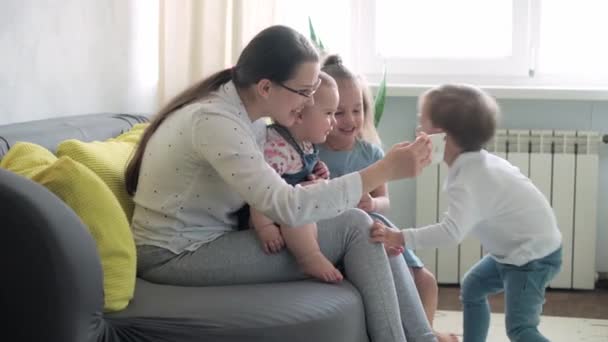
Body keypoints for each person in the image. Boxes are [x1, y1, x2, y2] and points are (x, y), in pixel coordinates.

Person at [125, 25, 436, 342]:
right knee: (357, 226)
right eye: (304, 91)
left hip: (204, 240)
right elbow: (288, 207)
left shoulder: (249, 116)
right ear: (264, 87)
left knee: (370, 225)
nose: (309, 101)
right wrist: (382, 171)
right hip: (173, 254)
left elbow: (278, 191)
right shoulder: (215, 121)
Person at [370, 84, 563, 342]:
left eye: (421, 124)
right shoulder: (474, 165)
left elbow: (451, 233)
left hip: (532, 257)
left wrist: (401, 237)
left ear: (440, 136)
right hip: (516, 252)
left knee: (520, 328)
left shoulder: (470, 179)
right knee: (473, 286)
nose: (418, 132)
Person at [319, 55, 457, 342]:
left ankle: (425, 330)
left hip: (380, 230)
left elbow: (385, 201)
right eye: (339, 112)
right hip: (348, 240)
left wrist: (372, 204)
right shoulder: (314, 153)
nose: (350, 120)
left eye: (357, 110)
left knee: (426, 282)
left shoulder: (370, 152)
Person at [243, 71, 343, 283]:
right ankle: (309, 257)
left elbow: (303, 168)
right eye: (328, 113)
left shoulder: (305, 143)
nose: (333, 122)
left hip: (288, 204)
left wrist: (318, 171)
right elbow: (259, 191)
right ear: (299, 116)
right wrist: (265, 227)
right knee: (297, 216)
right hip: (268, 213)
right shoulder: (277, 147)